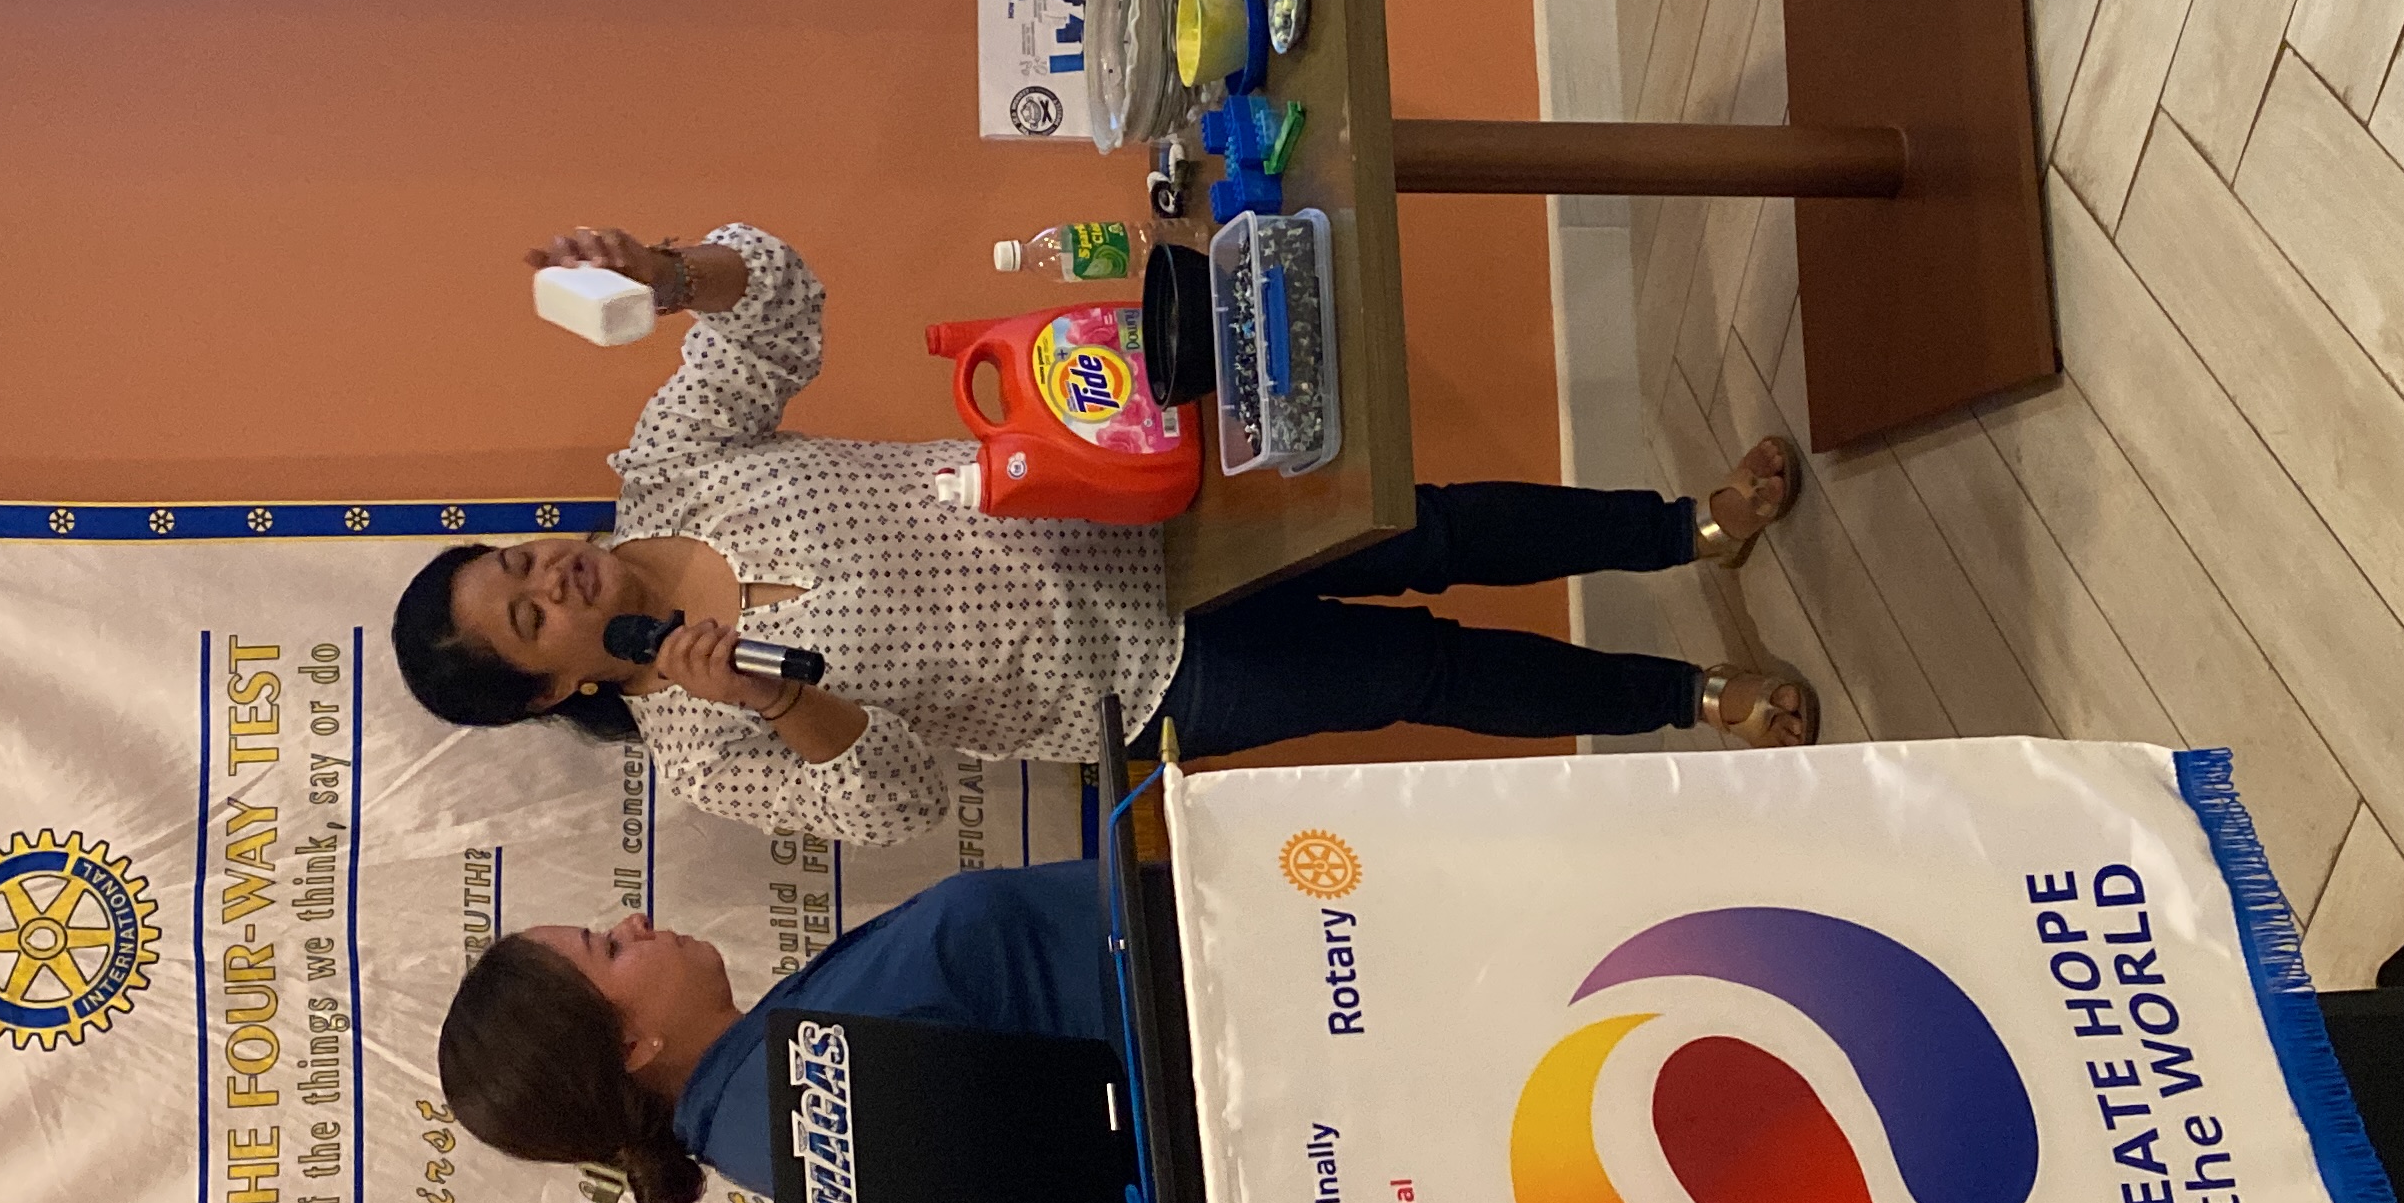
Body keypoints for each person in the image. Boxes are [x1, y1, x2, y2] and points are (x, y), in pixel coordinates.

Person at [393, 222, 1810, 849]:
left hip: (1138, 496)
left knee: (1424, 527)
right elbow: (899, 803)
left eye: (516, 562)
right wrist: (777, 695)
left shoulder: (668, 472)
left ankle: (1684, 528)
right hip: (1146, 679)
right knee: (1422, 676)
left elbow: (782, 300)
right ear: (560, 687)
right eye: (528, 619)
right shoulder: (706, 751)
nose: (548, 577)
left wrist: (667, 271)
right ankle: (1684, 699)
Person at [438, 860, 1110, 1203]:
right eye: (611, 948)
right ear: (630, 1047)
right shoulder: (811, 1081)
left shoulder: (769, 1103)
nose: (635, 919)